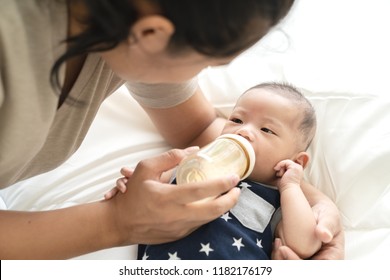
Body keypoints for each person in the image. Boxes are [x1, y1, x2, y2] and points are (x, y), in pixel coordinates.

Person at [0, 0, 343, 259]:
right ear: (152, 35)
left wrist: (313, 201)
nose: (242, 133)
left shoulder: (123, 28)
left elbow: (198, 127)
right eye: (207, 58)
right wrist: (115, 221)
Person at [110, 82, 324, 259]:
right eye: (236, 120)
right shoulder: (189, 164)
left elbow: (304, 244)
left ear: (297, 162)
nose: (244, 131)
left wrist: (291, 186)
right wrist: (131, 186)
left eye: (266, 130)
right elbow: (147, 190)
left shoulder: (280, 198)